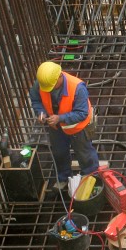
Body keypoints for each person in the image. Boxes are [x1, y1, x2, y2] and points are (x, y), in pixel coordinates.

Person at [29, 61, 100, 192]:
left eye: (52, 86)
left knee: (85, 154)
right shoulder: (42, 84)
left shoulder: (77, 88)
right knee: (59, 153)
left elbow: (82, 113)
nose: (48, 90)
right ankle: (63, 178)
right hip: (56, 127)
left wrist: (60, 118)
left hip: (78, 128)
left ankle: (91, 178)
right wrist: (40, 112)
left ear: (60, 76)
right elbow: (36, 99)